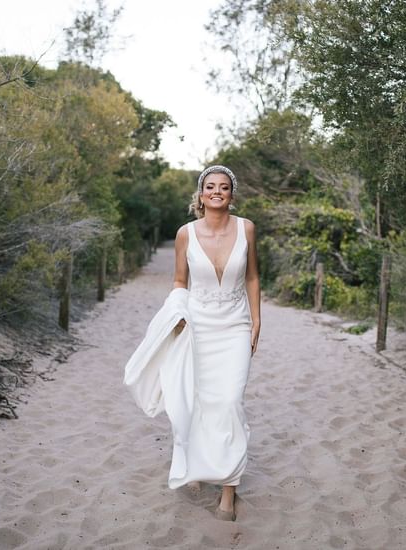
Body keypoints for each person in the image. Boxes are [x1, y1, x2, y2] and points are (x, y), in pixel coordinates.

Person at [172, 165, 261, 521]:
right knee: (197, 401)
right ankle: (197, 464)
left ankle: (228, 488)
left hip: (236, 325)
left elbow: (253, 276)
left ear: (231, 195)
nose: (217, 192)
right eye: (210, 186)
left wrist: (257, 320)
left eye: (224, 187)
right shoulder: (185, 234)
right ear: (201, 194)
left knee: (230, 401)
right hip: (198, 325)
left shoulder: (247, 228)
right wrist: (176, 318)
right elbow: (180, 281)